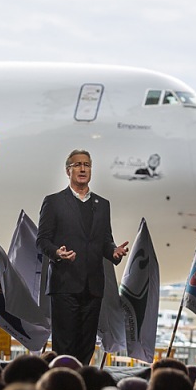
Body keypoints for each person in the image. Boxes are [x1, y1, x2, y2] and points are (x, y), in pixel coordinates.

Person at [37, 149, 129, 364]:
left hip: (93, 288)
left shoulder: (102, 204)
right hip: (65, 285)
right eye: (77, 164)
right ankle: (62, 387)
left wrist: (114, 252)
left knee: (87, 347)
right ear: (68, 170)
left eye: (87, 165)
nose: (82, 169)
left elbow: (105, 241)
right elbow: (42, 241)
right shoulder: (54, 202)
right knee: (65, 347)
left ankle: (81, 389)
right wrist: (57, 253)